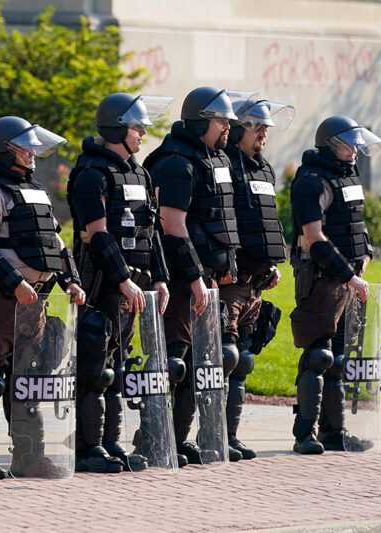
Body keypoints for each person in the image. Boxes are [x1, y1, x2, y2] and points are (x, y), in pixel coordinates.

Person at [0, 116, 85, 480]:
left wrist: (70, 280)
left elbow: (55, 245)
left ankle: (30, 458)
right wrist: (14, 283)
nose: (33, 155)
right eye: (26, 148)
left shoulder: (35, 190)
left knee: (27, 381)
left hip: (36, 304)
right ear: (6, 149)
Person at [143, 86, 250, 465]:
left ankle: (177, 438)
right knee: (174, 362)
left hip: (208, 281)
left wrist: (226, 271)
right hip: (179, 280)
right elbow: (173, 226)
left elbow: (219, 221)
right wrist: (194, 278)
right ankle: (152, 438)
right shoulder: (176, 162)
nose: (229, 127)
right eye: (223, 121)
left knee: (201, 365)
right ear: (203, 121)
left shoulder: (212, 158)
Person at [67, 93, 171, 473]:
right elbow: (97, 235)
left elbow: (152, 231)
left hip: (134, 288)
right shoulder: (92, 173)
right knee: (96, 370)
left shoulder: (140, 172)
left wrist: (160, 277)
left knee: (118, 371)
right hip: (102, 285)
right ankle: (87, 448)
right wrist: (123, 279)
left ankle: (112, 443)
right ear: (116, 128)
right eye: (136, 126)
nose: (143, 133)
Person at [289, 116, 381, 454]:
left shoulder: (347, 176)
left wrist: (365, 256)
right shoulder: (310, 182)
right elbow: (314, 240)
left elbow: (357, 228)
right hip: (321, 281)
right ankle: (305, 434)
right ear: (330, 144)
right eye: (347, 144)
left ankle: (335, 433)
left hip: (348, 280)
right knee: (319, 357)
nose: (355, 150)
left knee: (340, 360)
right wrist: (350, 274)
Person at [219, 99, 295, 459]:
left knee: (244, 360)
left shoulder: (264, 168)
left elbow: (266, 221)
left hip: (257, 281)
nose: (264, 132)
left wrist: (272, 264)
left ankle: (230, 436)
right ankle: (212, 435)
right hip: (230, 280)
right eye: (257, 127)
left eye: (265, 127)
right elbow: (223, 221)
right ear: (237, 130)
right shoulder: (225, 166)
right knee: (225, 357)